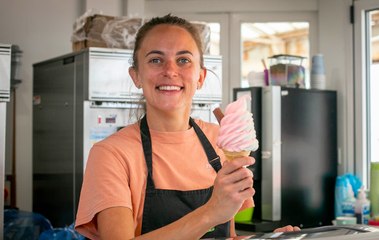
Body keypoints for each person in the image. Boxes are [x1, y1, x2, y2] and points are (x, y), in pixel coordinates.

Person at [75, 14, 300, 239]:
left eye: (183, 60)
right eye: (155, 59)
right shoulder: (112, 154)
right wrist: (211, 212)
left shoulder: (220, 140)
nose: (170, 70)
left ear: (200, 77)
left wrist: (269, 238)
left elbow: (228, 236)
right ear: (136, 76)